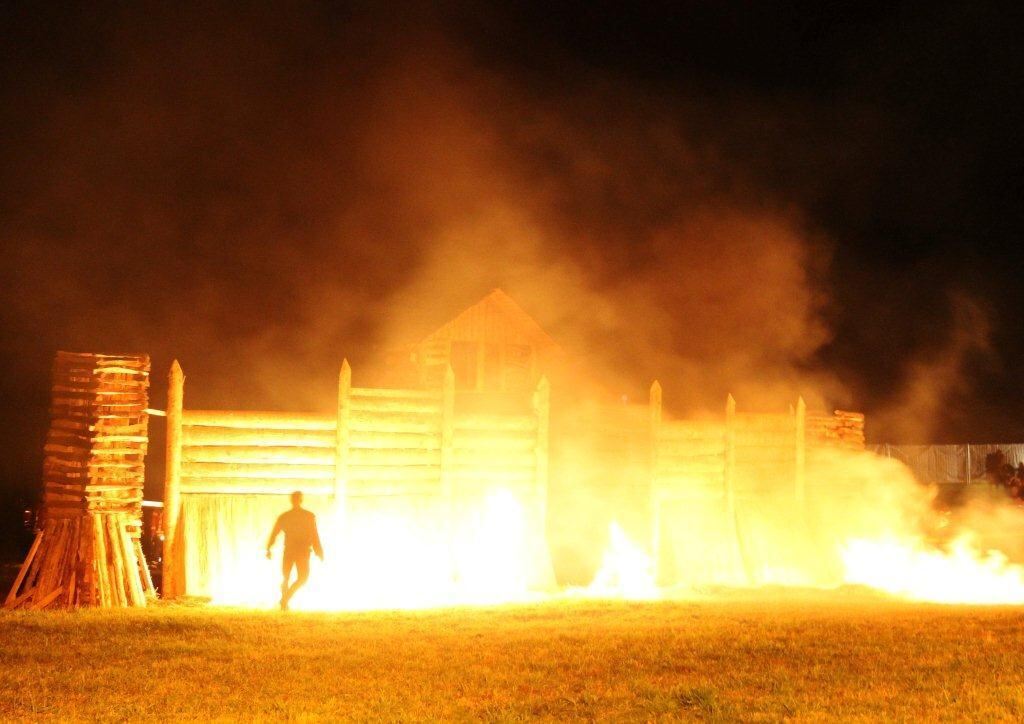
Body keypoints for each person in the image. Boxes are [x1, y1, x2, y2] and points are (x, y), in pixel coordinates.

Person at [266, 491, 323, 611]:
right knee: (301, 577)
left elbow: (274, 533)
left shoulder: (285, 516)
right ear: (301, 500)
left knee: (287, 577)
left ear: (292, 500)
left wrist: (269, 547)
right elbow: (314, 535)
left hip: (290, 551)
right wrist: (319, 551)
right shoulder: (308, 516)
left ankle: (285, 600)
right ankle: (285, 601)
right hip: (301, 551)